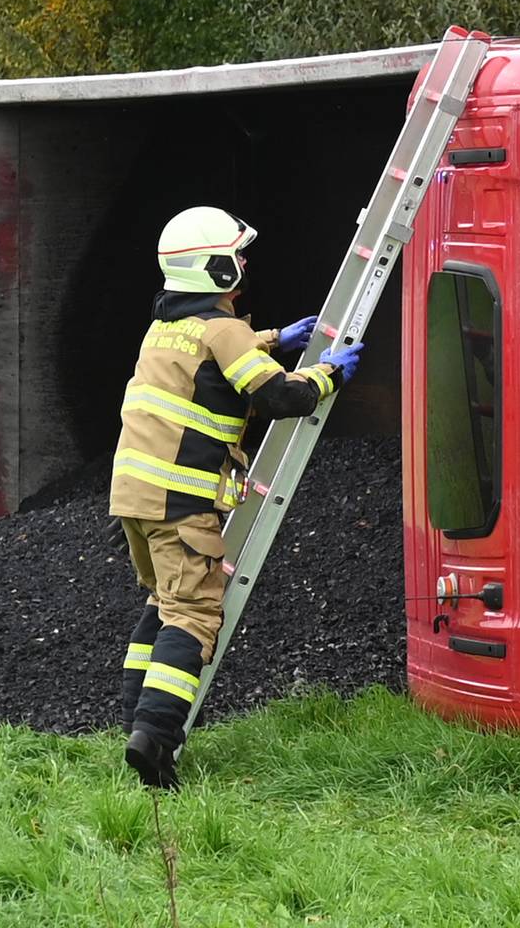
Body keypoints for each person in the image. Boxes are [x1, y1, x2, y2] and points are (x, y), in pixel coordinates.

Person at [111, 205, 364, 789]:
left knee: (161, 605)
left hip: (133, 499)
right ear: (216, 270)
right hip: (182, 505)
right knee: (196, 615)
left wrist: (275, 337)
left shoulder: (165, 327)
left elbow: (217, 361)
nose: (244, 263)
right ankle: (154, 744)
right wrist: (330, 374)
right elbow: (277, 396)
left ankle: (135, 725)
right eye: (236, 256)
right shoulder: (222, 329)